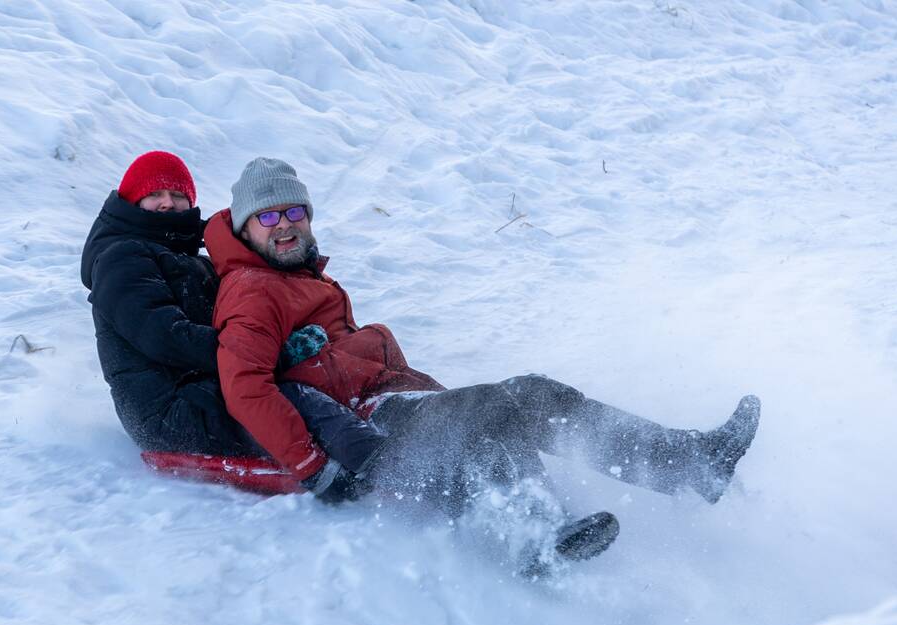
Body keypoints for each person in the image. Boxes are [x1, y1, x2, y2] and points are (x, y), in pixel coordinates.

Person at [203, 157, 761, 519]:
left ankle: (691, 462)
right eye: (269, 216)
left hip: (391, 406)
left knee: (531, 395)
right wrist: (313, 470)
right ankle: (538, 532)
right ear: (246, 228)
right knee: (496, 406)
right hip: (368, 428)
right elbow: (244, 385)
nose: (285, 225)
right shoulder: (254, 289)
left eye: (294, 211)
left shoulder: (298, 278)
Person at [81, 151, 383, 469]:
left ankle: (389, 428)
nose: (167, 202)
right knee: (299, 401)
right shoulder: (121, 257)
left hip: (208, 389)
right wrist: (270, 353)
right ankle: (385, 467)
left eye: (177, 194)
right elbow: (163, 335)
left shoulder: (194, 260)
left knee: (319, 380)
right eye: (154, 194)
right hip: (168, 412)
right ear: (131, 203)